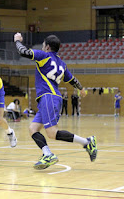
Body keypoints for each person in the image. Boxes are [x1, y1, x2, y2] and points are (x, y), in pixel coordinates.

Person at [14, 32, 97, 169]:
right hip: (51, 98)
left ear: (47, 47)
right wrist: (81, 88)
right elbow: (72, 80)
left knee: (52, 132)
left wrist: (17, 41)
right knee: (33, 129)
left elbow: (23, 52)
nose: (42, 48)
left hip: (48, 97)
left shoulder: (44, 56)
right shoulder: (62, 64)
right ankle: (47, 154)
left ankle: (87, 142)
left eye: (42, 45)